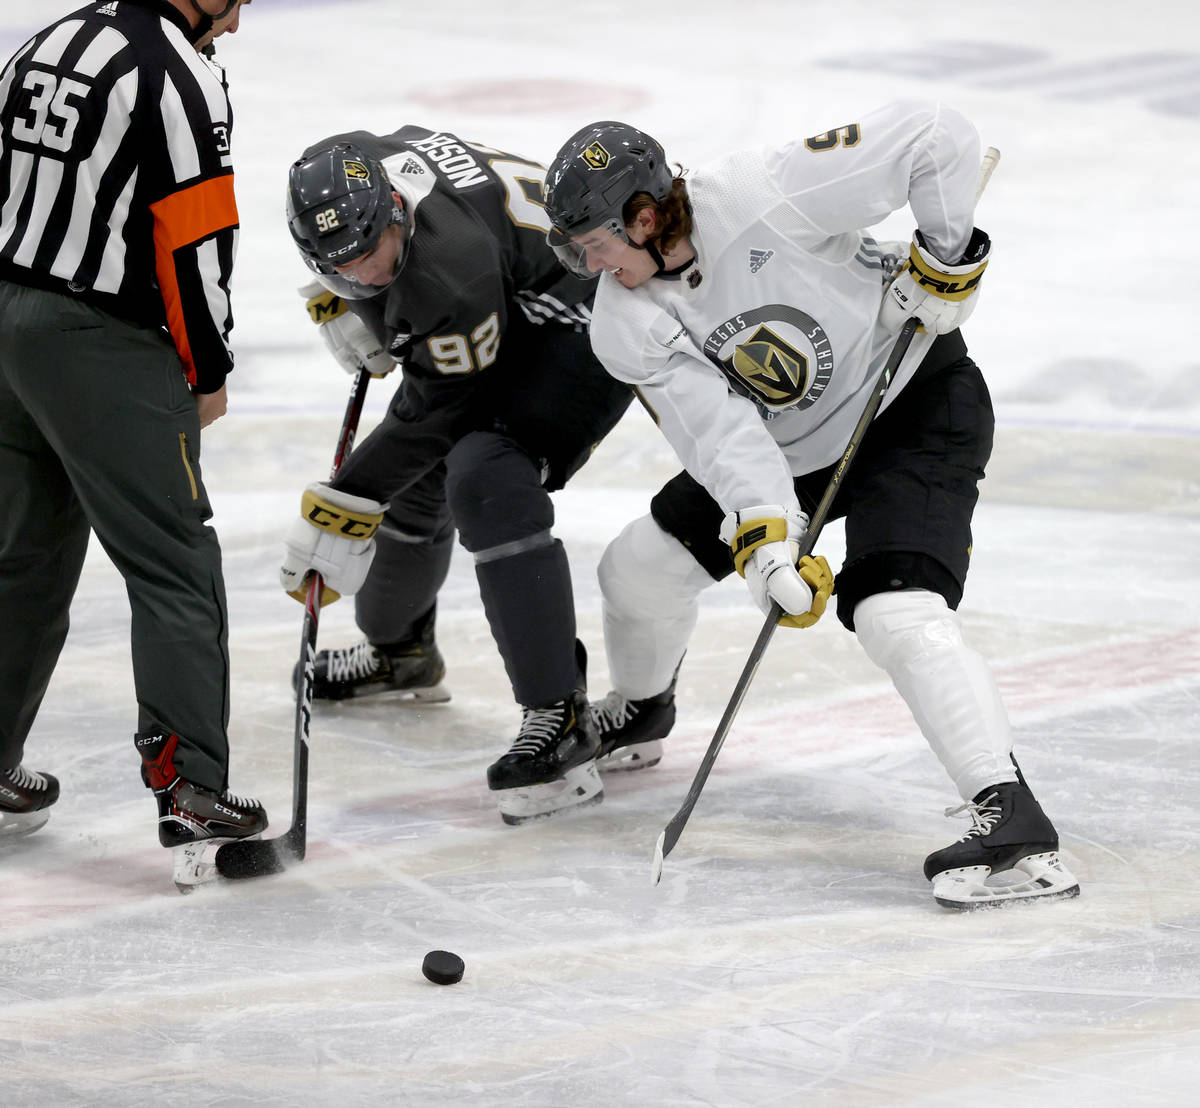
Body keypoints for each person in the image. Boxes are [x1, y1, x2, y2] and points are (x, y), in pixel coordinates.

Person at [541, 105, 1081, 909]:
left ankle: (1010, 815)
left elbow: (935, 136)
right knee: (638, 569)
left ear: (645, 217)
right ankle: (643, 710)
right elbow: (722, 438)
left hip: (914, 402)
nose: (591, 265)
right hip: (790, 452)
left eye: (596, 245)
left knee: (893, 607)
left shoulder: (761, 191)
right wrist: (765, 543)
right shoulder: (627, 321)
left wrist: (945, 255)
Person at [281, 125, 633, 824]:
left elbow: (437, 412)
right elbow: (390, 295)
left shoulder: (450, 267)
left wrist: (343, 502)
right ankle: (401, 652)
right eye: (339, 267)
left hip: (589, 316)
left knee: (483, 475)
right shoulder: (350, 170)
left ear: (398, 212)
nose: (363, 275)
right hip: (507, 288)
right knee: (418, 478)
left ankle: (559, 714)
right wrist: (358, 298)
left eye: (371, 259)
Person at [0, 0, 267, 890]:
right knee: (173, 561)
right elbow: (192, 245)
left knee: (23, 558)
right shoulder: (176, 78)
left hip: (6, 326)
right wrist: (207, 369)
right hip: (100, 341)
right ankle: (190, 785)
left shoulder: (52, 39)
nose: (233, 26)